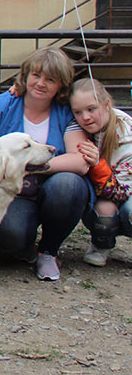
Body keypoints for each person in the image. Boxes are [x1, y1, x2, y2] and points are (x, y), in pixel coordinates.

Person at [0, 47, 90, 281]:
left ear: (61, 85)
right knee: (11, 235)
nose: (41, 83)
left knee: (70, 184)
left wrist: (32, 166)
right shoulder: (0, 105)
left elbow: (79, 161)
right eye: (36, 75)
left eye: (50, 79)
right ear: (25, 76)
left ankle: (48, 250)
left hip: (53, 187)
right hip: (11, 193)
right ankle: (23, 249)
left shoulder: (67, 112)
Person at [67, 78, 131, 267]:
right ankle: (102, 243)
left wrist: (97, 165)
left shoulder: (127, 136)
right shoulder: (78, 126)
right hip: (102, 197)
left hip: (126, 194)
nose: (85, 117)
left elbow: (121, 193)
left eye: (91, 109)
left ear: (107, 104)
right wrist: (20, 88)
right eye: (78, 112)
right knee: (104, 209)